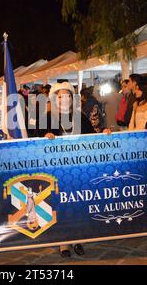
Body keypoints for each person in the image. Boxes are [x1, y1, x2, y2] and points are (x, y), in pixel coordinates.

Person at [34, 82, 98, 258]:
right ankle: (63, 242)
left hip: (78, 169)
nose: (64, 99)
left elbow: (93, 137)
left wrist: (105, 133)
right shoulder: (46, 118)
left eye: (68, 96)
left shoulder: (80, 116)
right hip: (56, 170)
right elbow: (35, 142)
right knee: (60, 204)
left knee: (78, 203)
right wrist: (44, 137)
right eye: (61, 96)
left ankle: (78, 239)